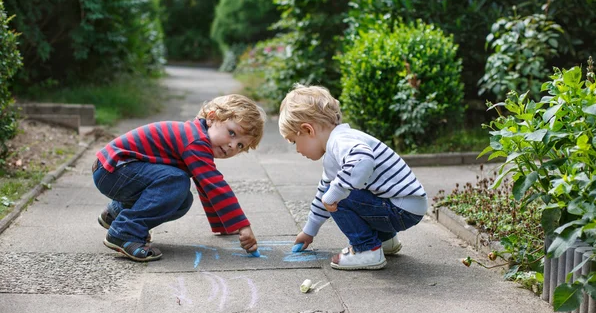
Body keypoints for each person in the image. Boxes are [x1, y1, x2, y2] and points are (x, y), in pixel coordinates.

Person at [92, 94, 266, 262]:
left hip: (114, 170)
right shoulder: (195, 140)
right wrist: (242, 224)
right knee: (177, 181)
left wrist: (226, 225)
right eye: (232, 133)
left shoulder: (197, 138)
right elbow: (214, 185)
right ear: (211, 118)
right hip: (115, 170)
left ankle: (115, 213)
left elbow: (205, 186)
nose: (232, 146)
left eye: (240, 145)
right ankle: (124, 232)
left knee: (182, 200)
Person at [279, 85, 428, 270]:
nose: (297, 150)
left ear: (308, 130)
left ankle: (367, 250)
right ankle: (385, 240)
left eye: (294, 141)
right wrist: (309, 231)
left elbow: (362, 159)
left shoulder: (340, 141)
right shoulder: (339, 145)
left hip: (400, 208)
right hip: (406, 206)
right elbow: (323, 197)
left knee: (336, 193)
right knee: (334, 192)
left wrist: (335, 192)